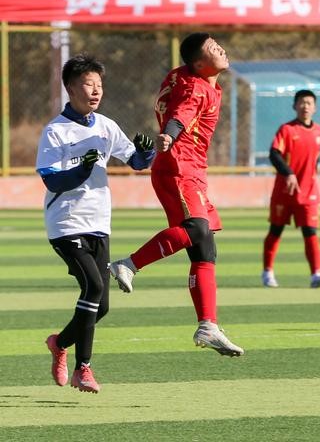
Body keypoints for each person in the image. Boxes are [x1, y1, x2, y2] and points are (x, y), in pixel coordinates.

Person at [109, 33, 244, 357]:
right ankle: (128, 264)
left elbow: (176, 98)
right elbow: (181, 114)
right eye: (212, 48)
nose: (220, 49)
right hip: (180, 167)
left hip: (190, 168)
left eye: (217, 44)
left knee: (204, 248)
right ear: (199, 63)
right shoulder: (198, 87)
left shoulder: (185, 77)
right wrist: (169, 135)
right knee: (196, 229)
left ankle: (208, 325)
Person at [36, 53, 155, 394]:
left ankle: (59, 343)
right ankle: (83, 369)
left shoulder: (105, 125)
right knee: (94, 287)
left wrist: (146, 153)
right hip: (66, 223)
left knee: (100, 305)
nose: (95, 90)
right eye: (88, 84)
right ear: (71, 88)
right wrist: (83, 169)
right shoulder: (55, 131)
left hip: (98, 222)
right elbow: (52, 180)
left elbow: (135, 161)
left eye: (99, 85)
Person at [262, 89, 320, 289]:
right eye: (301, 102)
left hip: (309, 192)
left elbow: (313, 160)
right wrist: (288, 173)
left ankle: (316, 275)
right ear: (295, 106)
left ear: (315, 107)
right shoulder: (287, 130)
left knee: (310, 232)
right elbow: (274, 154)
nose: (305, 106)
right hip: (284, 191)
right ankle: (267, 272)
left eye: (309, 103)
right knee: (276, 230)